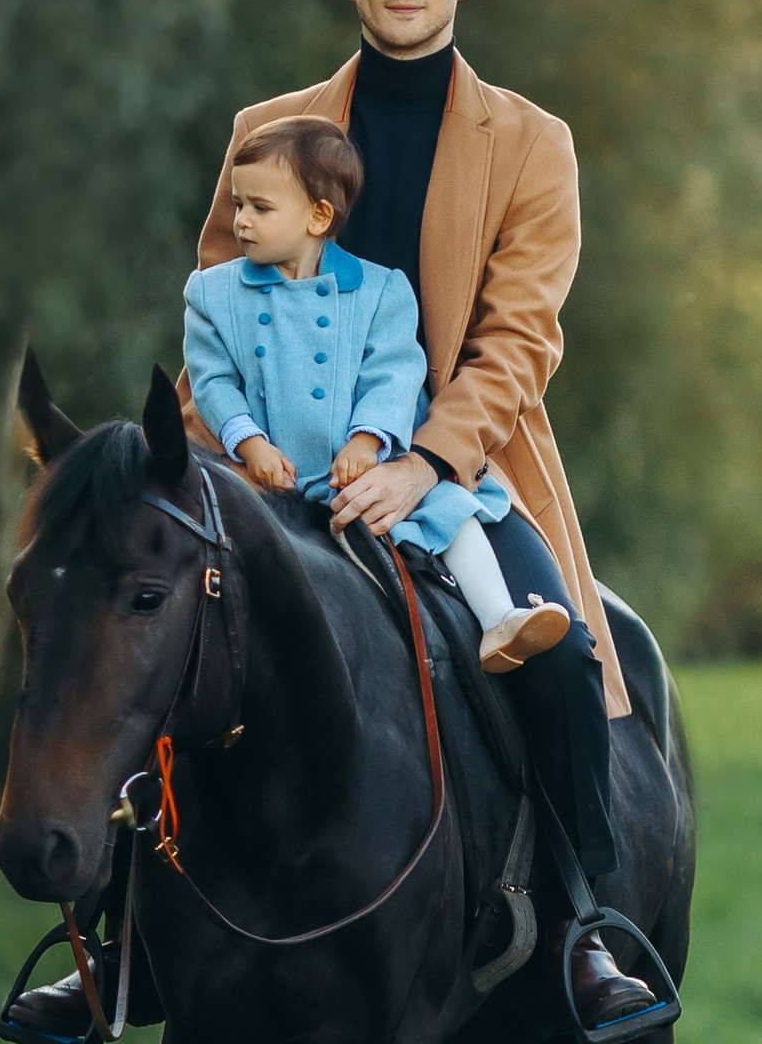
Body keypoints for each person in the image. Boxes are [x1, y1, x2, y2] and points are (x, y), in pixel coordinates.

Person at [187, 0, 658, 1034]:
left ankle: (584, 918)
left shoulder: (532, 142)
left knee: (549, 656)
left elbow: (519, 340)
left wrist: (422, 462)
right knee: (145, 630)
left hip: (464, 468)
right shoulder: (267, 131)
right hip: (271, 467)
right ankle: (118, 935)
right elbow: (212, 303)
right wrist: (240, 449)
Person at [183, 115, 569, 674]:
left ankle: (499, 619)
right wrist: (250, 445)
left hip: (366, 473)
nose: (240, 222)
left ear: (319, 216)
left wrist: (367, 440)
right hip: (272, 473)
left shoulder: (379, 289)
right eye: (238, 205)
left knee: (449, 512)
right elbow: (212, 380)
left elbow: (393, 374)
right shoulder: (213, 295)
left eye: (259, 209)